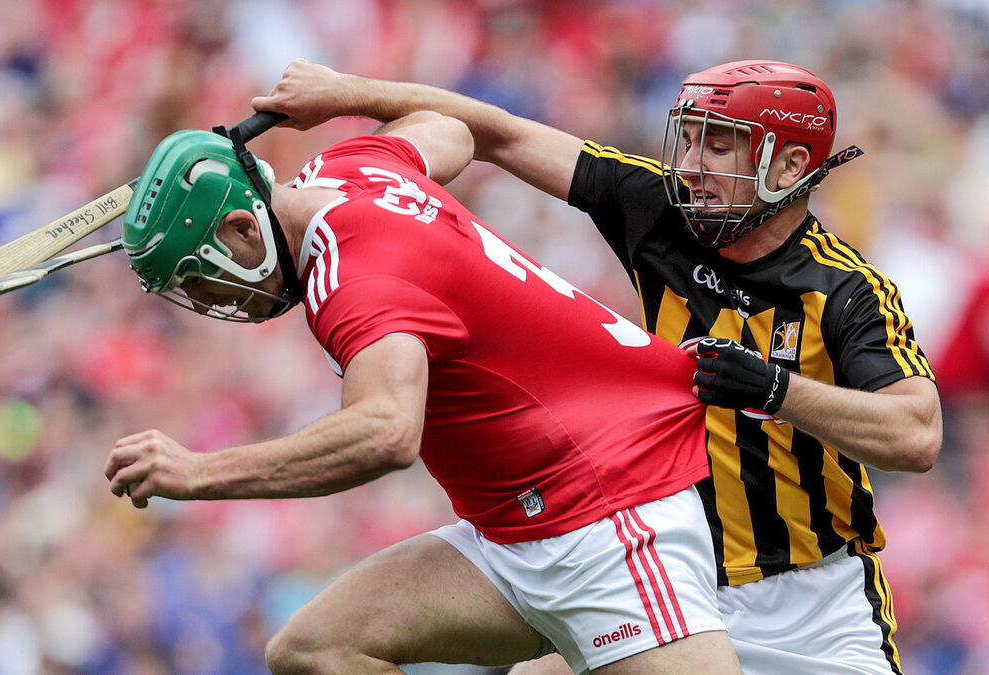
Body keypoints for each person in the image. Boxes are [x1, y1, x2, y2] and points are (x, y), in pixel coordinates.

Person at [252, 59, 943, 674]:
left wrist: (772, 388)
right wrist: (349, 93)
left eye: (719, 145)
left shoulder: (848, 290)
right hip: (667, 569)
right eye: (689, 139)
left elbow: (916, 435)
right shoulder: (659, 208)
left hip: (811, 607)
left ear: (789, 168)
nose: (692, 165)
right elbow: (499, 133)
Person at [105, 111, 743, 673]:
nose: (214, 304)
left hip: (610, 513)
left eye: (202, 281)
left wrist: (200, 473)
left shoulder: (357, 280)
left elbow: (385, 432)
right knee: (315, 648)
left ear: (245, 230)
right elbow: (449, 130)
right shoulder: (349, 168)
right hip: (514, 530)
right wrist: (351, 99)